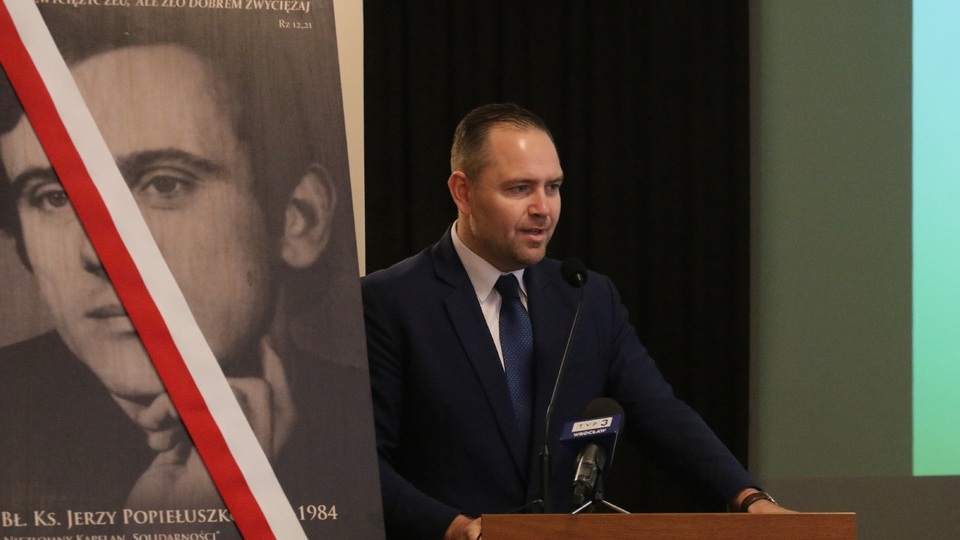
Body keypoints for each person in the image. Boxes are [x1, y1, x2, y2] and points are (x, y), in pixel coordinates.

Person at [0, 5, 381, 538]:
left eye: (164, 184)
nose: (98, 251)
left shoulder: (389, 422)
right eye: (54, 196)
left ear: (299, 219)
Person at [362, 103, 788, 540]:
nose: (543, 208)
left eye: (553, 187)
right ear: (463, 192)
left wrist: (747, 498)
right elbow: (362, 462)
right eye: (520, 188)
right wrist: (454, 528)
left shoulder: (585, 296)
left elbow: (659, 413)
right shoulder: (389, 302)